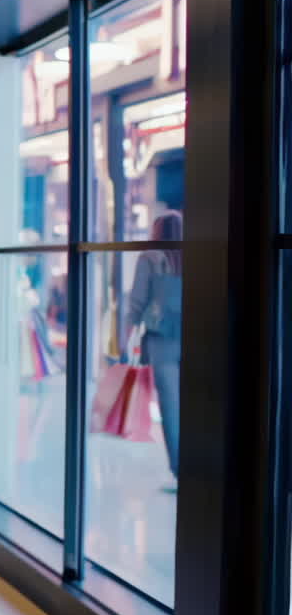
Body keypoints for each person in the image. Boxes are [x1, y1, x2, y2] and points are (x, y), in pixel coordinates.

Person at [126, 211, 183, 492]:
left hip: (162, 342)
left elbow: (137, 302)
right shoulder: (193, 256)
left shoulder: (149, 258)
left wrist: (124, 336)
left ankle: (180, 472)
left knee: (171, 408)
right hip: (195, 337)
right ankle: (201, 469)